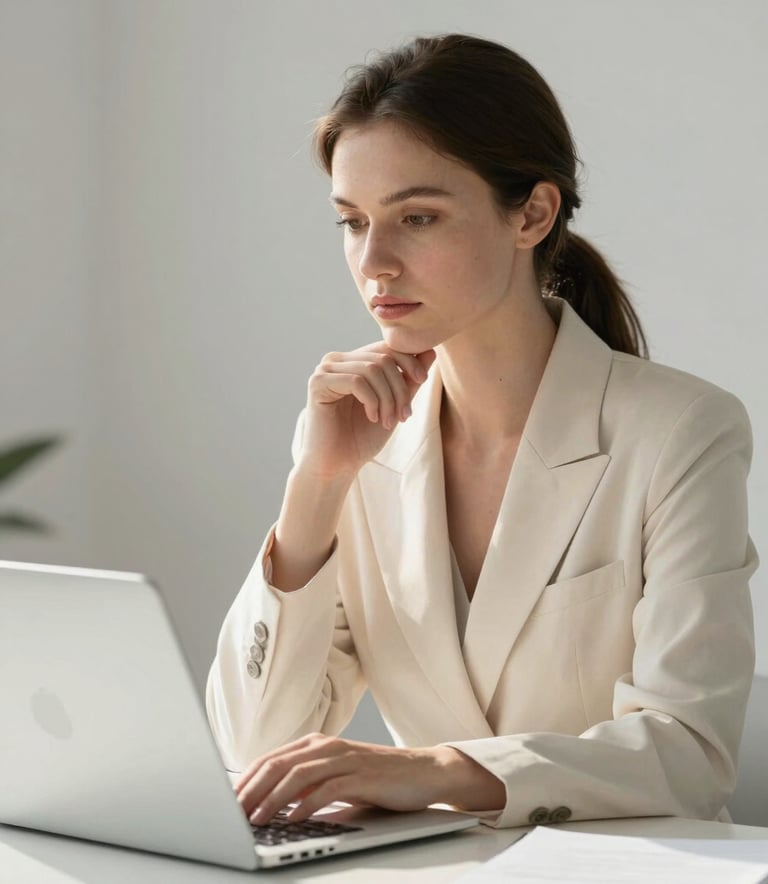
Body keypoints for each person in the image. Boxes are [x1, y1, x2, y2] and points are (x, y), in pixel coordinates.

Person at [205, 33, 758, 829]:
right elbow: (256, 746)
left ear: (532, 212)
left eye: (417, 217)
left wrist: (433, 769)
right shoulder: (358, 442)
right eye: (353, 222)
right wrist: (316, 487)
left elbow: (687, 755)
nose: (375, 263)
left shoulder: (680, 432)